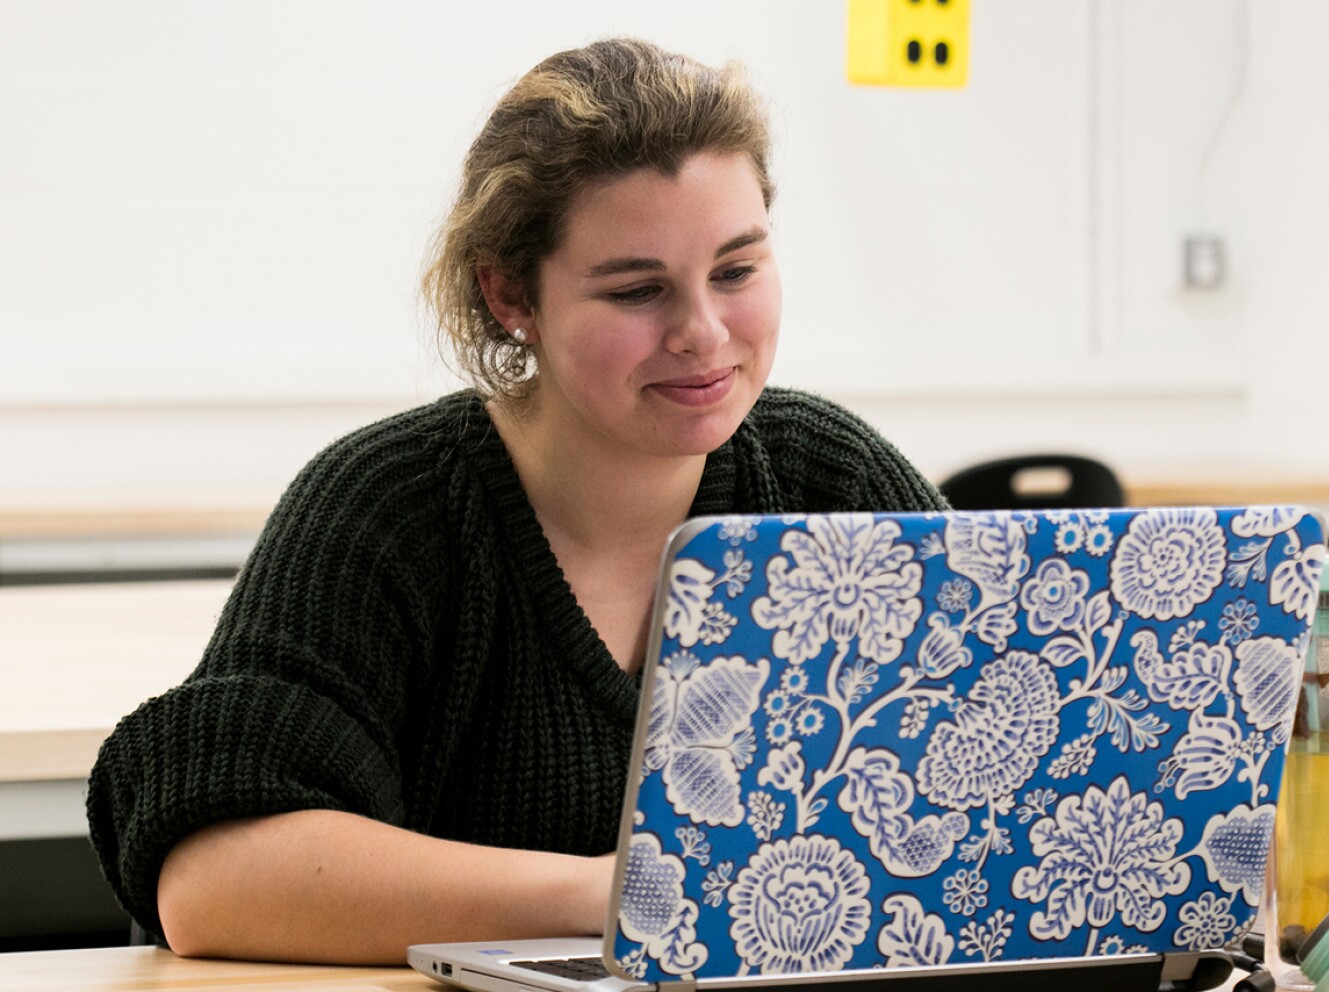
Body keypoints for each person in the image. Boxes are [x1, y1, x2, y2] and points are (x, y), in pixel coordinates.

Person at [86, 37, 948, 965]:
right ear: (510, 296)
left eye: (736, 271)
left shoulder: (838, 486)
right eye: (636, 290)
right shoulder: (388, 509)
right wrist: (618, 893)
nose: (702, 333)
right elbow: (219, 881)